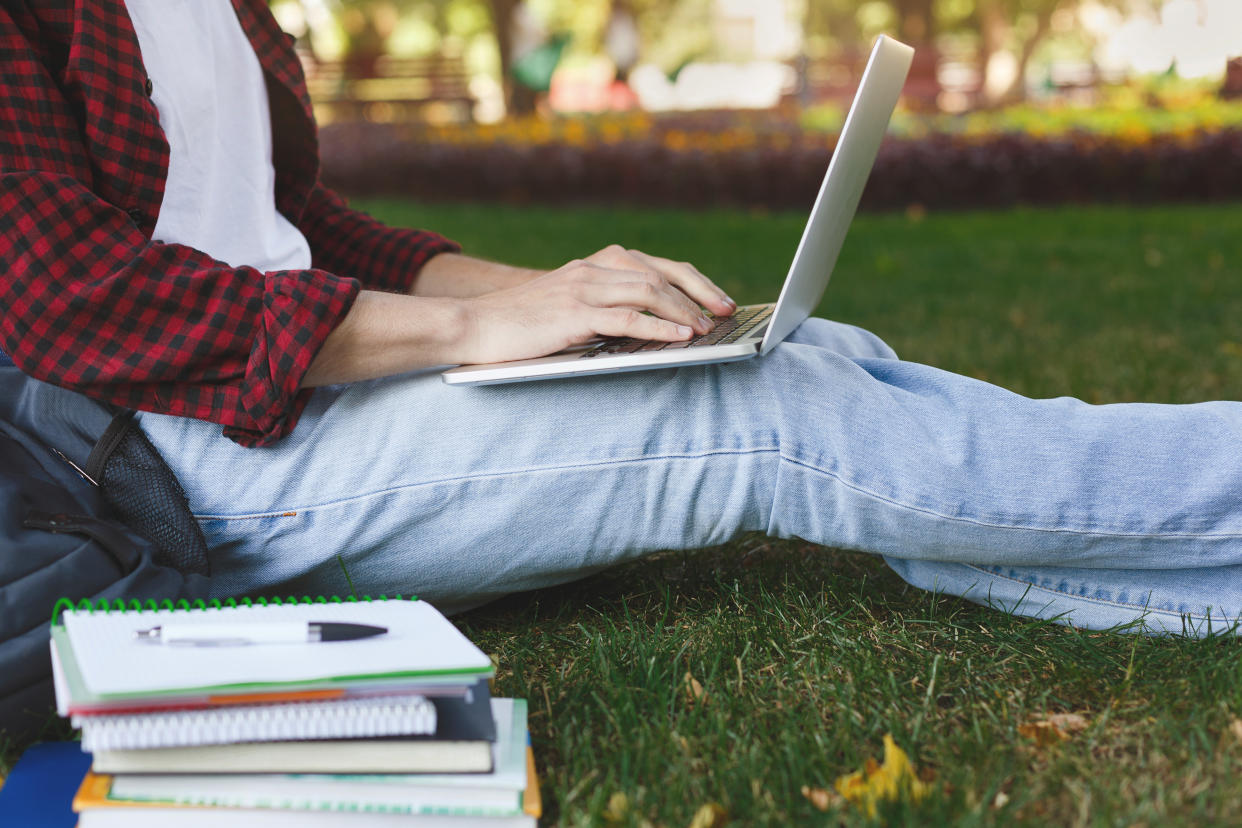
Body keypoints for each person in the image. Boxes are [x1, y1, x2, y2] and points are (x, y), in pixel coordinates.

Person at [4, 0, 1242, 637]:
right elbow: (66, 294)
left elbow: (289, 229)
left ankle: (1207, 582)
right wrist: (470, 336)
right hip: (174, 461)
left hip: (306, 392)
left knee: (809, 352)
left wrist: (558, 296)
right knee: (767, 413)